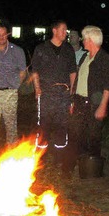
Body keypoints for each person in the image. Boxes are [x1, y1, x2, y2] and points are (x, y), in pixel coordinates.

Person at [65, 26, 109, 175]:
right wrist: (73, 100)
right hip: (80, 102)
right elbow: (78, 80)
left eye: (84, 38)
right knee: (75, 134)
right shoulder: (85, 57)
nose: (82, 40)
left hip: (94, 104)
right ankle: (77, 165)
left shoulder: (104, 59)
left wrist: (103, 106)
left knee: (93, 136)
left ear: (91, 40)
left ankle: (92, 169)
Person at [31, 20, 77, 172]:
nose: (66, 33)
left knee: (62, 126)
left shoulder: (68, 49)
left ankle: (60, 157)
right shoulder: (41, 48)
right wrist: (37, 88)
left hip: (63, 94)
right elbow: (35, 70)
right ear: (54, 30)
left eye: (66, 30)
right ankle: (40, 159)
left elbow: (72, 72)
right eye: (63, 30)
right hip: (46, 94)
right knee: (43, 126)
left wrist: (72, 93)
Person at [0, 22, 27, 156]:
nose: (1, 37)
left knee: (11, 125)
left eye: (4, 34)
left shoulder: (17, 51)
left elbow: (22, 71)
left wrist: (15, 86)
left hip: (10, 92)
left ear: (7, 35)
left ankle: (11, 155)